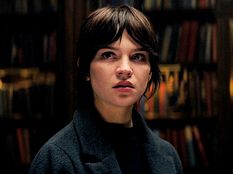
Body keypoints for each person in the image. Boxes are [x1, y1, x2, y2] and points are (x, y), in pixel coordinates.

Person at [29, 4, 183, 174]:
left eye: (137, 57)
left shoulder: (168, 155)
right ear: (85, 68)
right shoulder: (56, 158)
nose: (125, 69)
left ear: (150, 72)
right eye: (108, 55)